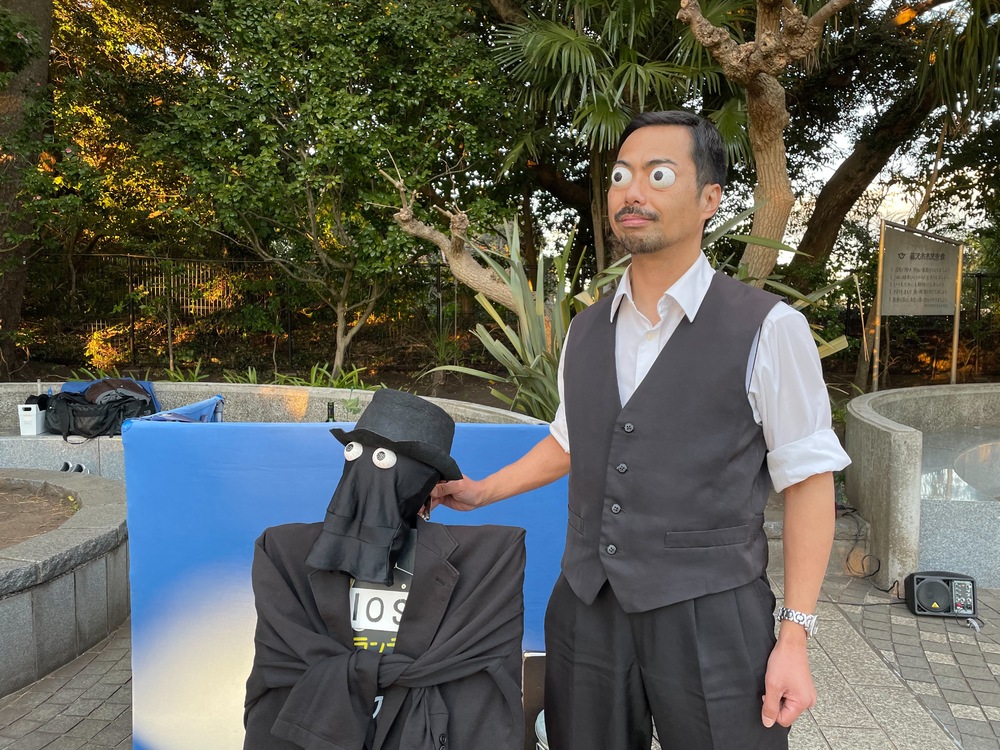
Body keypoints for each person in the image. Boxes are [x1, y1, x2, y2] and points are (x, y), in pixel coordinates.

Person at [430, 110, 851, 749]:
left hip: (712, 609)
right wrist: (482, 491)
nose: (632, 191)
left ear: (709, 199)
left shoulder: (769, 327)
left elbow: (809, 479)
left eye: (658, 175)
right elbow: (574, 439)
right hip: (588, 604)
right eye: (620, 175)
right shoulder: (585, 329)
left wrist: (795, 636)